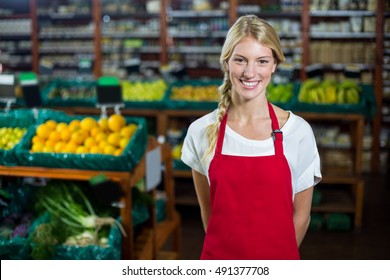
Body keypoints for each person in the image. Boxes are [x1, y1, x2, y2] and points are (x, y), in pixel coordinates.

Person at [181, 15, 322, 260]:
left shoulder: (297, 132)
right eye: (240, 60)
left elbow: (301, 216)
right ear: (226, 63)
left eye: (262, 61)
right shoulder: (201, 131)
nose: (250, 72)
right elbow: (209, 214)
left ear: (274, 65)